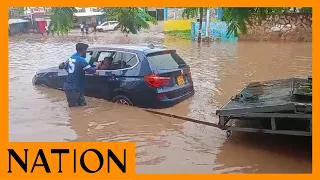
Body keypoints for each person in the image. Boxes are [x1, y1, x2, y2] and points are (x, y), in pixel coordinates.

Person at [63, 43, 96, 107]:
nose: (86, 52)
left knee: (82, 106)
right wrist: (96, 67)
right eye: (86, 50)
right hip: (73, 88)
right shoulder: (81, 60)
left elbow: (66, 67)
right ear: (83, 50)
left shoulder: (71, 57)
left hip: (73, 87)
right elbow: (91, 70)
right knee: (74, 108)